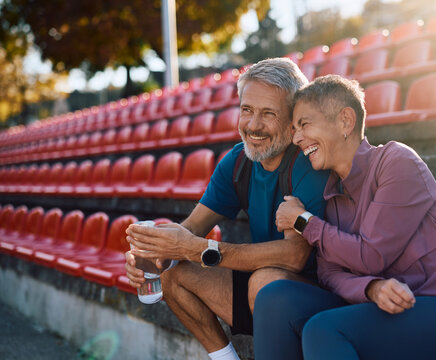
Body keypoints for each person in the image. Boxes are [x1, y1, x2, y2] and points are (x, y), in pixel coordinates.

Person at [253, 75, 436, 360]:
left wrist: (303, 221)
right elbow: (329, 273)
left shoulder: (397, 162)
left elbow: (371, 255)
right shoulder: (331, 192)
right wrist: (370, 287)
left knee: (322, 330)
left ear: (345, 122)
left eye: (304, 124)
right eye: (295, 129)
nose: (297, 138)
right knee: (274, 298)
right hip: (379, 310)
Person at [124, 58, 329, 360]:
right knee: (173, 273)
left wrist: (199, 250)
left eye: (268, 114)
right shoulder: (237, 162)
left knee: (265, 281)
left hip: (322, 297)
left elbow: (294, 256)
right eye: (246, 110)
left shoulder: (307, 160)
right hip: (266, 289)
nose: (253, 125)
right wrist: (155, 256)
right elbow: (191, 229)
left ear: (292, 119)